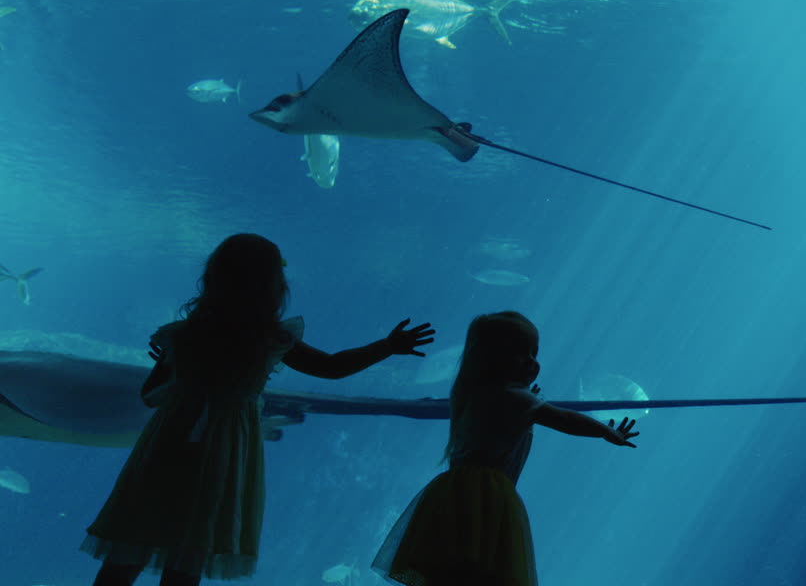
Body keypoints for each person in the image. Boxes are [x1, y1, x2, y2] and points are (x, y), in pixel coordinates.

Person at [83, 233, 435, 586]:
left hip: (168, 442)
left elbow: (150, 395)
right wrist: (388, 346)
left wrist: (171, 367)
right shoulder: (270, 337)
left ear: (213, 278)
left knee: (132, 538)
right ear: (272, 285)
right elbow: (331, 367)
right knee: (190, 548)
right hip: (223, 447)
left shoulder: (182, 334)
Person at [372, 311, 638, 586]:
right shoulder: (514, 398)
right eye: (522, 353)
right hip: (487, 498)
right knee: (483, 571)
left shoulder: (472, 392)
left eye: (534, 353)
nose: (532, 362)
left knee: (446, 571)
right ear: (494, 358)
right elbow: (564, 419)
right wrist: (606, 431)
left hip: (450, 495)